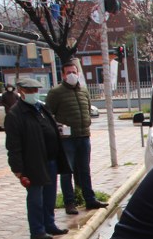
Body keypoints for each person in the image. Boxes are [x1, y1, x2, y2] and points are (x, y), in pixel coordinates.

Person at [4, 78, 72, 239]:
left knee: (49, 196)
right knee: (36, 198)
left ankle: (49, 224)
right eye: (30, 91)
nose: (34, 93)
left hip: (50, 160)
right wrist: (18, 170)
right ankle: (37, 230)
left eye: (36, 90)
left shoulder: (41, 108)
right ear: (21, 91)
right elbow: (13, 146)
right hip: (33, 163)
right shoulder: (15, 114)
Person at [44, 59, 108, 215]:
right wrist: (58, 128)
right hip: (67, 140)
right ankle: (69, 203)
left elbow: (86, 108)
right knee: (67, 172)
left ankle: (90, 199)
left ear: (78, 73)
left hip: (83, 136)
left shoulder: (83, 91)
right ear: (63, 75)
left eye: (74, 72)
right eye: (68, 73)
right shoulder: (56, 93)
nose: (72, 75)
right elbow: (47, 114)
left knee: (85, 170)